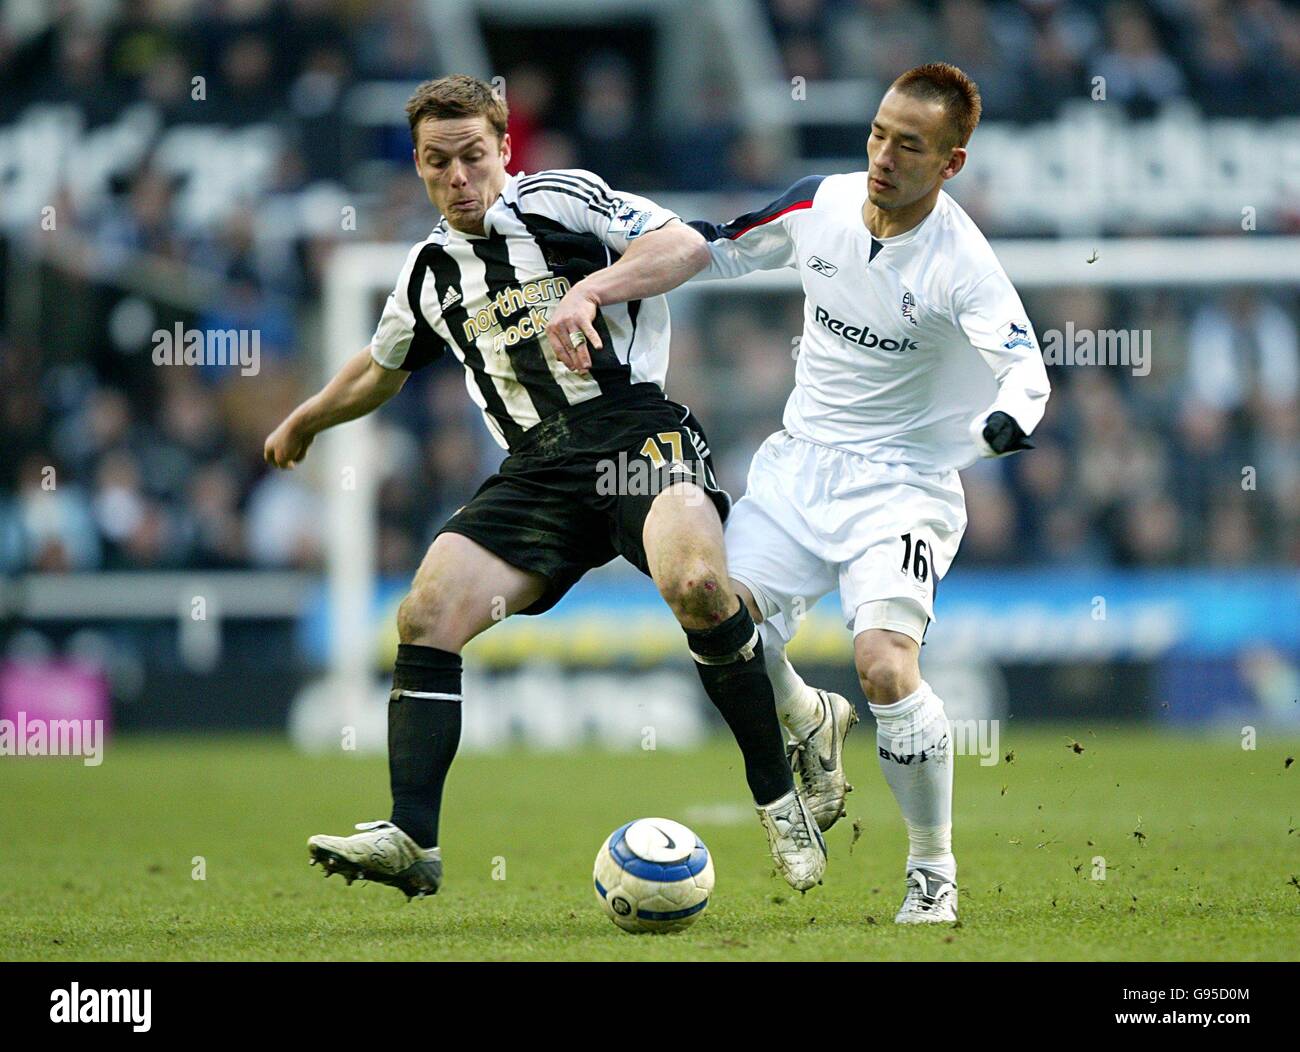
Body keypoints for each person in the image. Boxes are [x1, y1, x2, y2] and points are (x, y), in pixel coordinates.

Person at [263, 75, 826, 900]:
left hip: (635, 430)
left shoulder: (563, 201)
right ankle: (412, 838)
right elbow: (381, 366)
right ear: (418, 169)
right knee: (425, 611)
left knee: (702, 586)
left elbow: (680, 244)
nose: (458, 178)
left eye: (472, 156)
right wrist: (309, 418)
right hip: (535, 470)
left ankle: (779, 800)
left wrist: (592, 290)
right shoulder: (428, 273)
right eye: (436, 163)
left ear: (504, 151)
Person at [547, 63, 1051, 923]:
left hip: (902, 486)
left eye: (911, 145)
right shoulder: (820, 203)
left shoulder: (963, 262)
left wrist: (1007, 424)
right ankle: (809, 715)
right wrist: (595, 287)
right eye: (880, 132)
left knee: (886, 668)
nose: (885, 155)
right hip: (800, 466)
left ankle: (932, 869)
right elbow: (712, 246)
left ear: (951, 164)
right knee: (716, 615)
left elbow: (1026, 369)